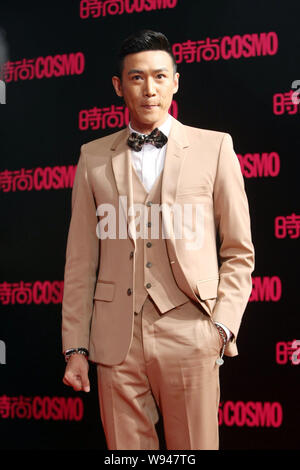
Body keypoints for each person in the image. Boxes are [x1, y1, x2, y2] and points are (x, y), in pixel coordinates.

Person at [61, 29, 255, 450]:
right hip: (116, 342)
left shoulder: (215, 148)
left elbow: (239, 252)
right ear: (119, 86)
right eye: (136, 78)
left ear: (176, 81)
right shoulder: (92, 156)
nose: (150, 89)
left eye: (160, 76)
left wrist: (221, 328)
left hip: (191, 331)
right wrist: (75, 347)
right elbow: (80, 261)